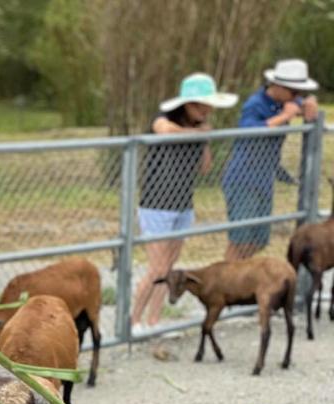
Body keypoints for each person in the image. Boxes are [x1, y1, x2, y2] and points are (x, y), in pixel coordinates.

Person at [131, 73, 237, 333]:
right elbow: (163, 131)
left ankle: (154, 320)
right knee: (156, 267)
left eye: (207, 105)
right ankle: (132, 321)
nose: (205, 110)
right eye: (199, 105)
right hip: (156, 205)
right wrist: (195, 132)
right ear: (186, 104)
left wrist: (204, 139)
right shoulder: (165, 119)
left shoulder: (200, 128)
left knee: (168, 268)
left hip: (183, 204)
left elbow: (204, 168)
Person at [221, 59, 319, 261]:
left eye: (300, 93)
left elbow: (302, 106)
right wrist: (283, 117)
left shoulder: (286, 102)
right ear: (278, 86)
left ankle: (239, 276)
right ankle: (228, 284)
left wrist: (309, 104)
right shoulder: (255, 104)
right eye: (294, 92)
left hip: (264, 181)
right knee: (240, 240)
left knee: (258, 240)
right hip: (243, 180)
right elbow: (247, 130)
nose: (297, 97)